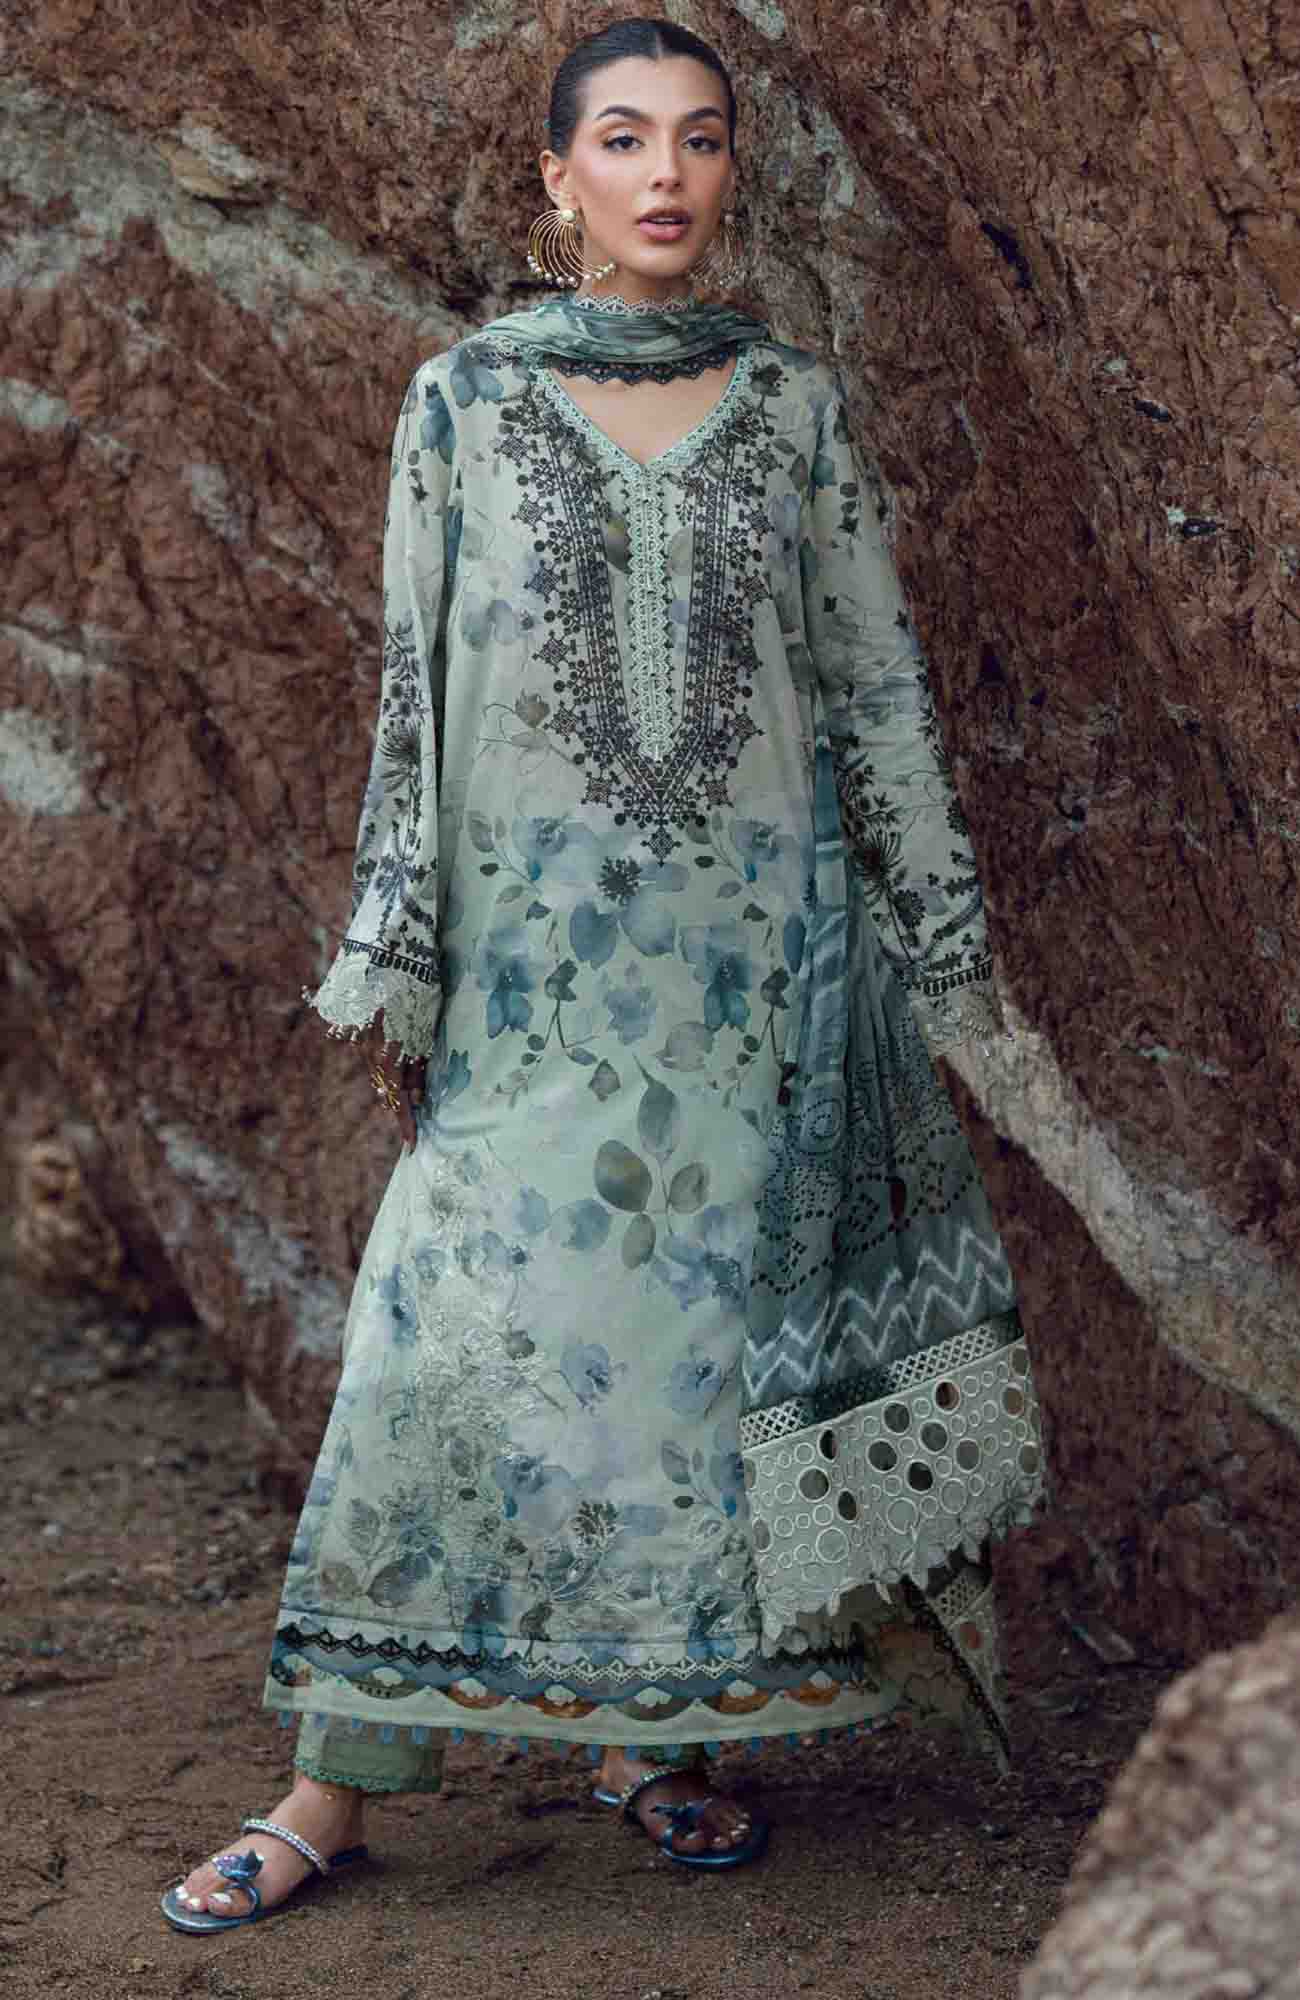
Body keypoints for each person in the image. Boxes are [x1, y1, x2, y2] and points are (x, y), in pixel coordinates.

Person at [162, 16, 1044, 1933]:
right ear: (555, 176)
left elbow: (875, 680)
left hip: (755, 978)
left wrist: (934, 927)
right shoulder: (463, 403)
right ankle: (333, 1788)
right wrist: (399, 954)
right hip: (530, 987)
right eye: (626, 139)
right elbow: (413, 701)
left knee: (697, 1371)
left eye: (701, 139)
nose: (667, 174)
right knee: (440, 1342)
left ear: (732, 173)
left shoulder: (792, 406)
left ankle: (653, 1740)